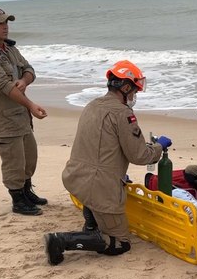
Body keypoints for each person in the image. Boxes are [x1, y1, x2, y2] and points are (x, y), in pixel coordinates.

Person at [44, 60, 172, 265]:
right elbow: (140, 156)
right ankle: (61, 241)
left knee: (95, 200)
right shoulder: (123, 114)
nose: (134, 97)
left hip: (75, 178)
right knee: (120, 243)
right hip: (99, 186)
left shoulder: (92, 105)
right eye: (134, 92)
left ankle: (91, 222)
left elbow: (103, 146)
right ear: (126, 87)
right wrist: (158, 147)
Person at [0, 7, 48, 216]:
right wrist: (31, 104)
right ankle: (18, 200)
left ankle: (26, 190)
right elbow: (4, 86)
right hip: (3, 116)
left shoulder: (9, 49)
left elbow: (29, 70)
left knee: (29, 157)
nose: (5, 26)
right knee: (13, 161)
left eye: (6, 22)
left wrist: (23, 80)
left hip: (20, 114)